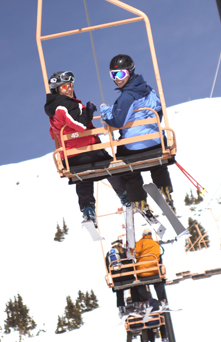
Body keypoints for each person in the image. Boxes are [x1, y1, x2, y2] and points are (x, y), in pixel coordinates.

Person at [44, 71, 129, 226]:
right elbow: (80, 125)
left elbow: (54, 135)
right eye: (64, 87)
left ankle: (87, 209)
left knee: (82, 177)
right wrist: (89, 110)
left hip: (71, 156)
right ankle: (126, 196)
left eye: (70, 85)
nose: (69, 89)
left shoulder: (53, 111)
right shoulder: (63, 106)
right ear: (57, 89)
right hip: (87, 150)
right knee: (112, 166)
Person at [100, 54, 175, 213]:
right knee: (158, 163)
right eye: (113, 74)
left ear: (130, 72)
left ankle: (139, 200)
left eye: (121, 74)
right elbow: (159, 112)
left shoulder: (127, 96)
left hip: (134, 147)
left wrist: (105, 112)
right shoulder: (149, 90)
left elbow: (118, 121)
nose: (117, 79)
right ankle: (165, 190)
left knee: (126, 167)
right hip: (155, 143)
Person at [135, 228, 168, 311]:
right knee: (158, 282)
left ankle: (145, 301)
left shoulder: (139, 243)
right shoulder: (155, 244)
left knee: (139, 284)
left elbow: (134, 254)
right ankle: (162, 301)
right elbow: (158, 256)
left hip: (142, 272)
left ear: (143, 235)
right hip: (154, 271)